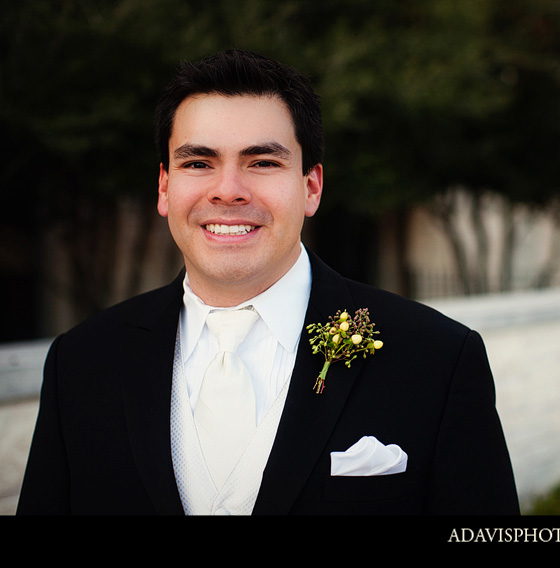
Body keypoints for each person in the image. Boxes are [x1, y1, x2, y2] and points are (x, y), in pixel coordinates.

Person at [16, 49, 519, 515]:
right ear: (165, 187)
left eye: (262, 162)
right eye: (198, 162)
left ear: (311, 186)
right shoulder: (80, 364)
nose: (229, 190)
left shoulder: (438, 359)